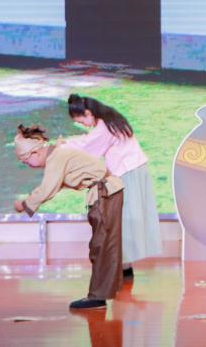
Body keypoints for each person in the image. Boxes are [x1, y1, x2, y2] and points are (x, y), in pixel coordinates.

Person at [13, 124, 125, 310]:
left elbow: (47, 189)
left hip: (105, 193)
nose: (27, 165)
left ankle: (98, 297)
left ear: (35, 152)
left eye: (25, 161)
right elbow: (55, 185)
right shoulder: (58, 155)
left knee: (102, 244)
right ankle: (104, 291)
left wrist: (24, 204)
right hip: (105, 192)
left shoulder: (57, 157)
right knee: (104, 244)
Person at [66, 94, 163, 278]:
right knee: (126, 218)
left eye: (81, 120)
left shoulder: (103, 127)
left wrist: (63, 145)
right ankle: (124, 265)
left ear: (88, 112)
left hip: (127, 173)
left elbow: (87, 147)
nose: (83, 124)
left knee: (123, 219)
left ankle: (123, 266)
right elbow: (90, 140)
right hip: (135, 170)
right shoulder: (111, 118)